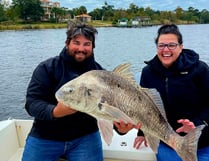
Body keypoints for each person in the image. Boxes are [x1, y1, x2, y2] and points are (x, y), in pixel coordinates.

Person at [22, 21, 135, 161]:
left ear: (93, 47)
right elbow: (32, 103)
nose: (81, 48)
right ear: (67, 43)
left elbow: (112, 109)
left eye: (87, 44)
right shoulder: (47, 68)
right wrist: (55, 112)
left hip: (85, 138)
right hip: (45, 136)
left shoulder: (101, 75)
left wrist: (121, 129)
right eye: (76, 42)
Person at [133, 24, 209, 161]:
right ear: (157, 47)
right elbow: (145, 107)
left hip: (208, 144)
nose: (166, 50)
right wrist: (142, 132)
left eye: (172, 45)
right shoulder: (148, 73)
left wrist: (196, 123)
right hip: (170, 146)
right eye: (161, 45)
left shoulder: (199, 69)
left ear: (181, 46)